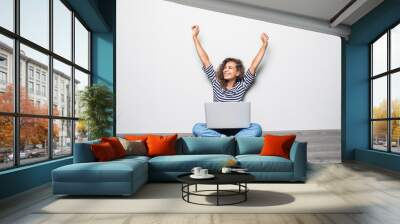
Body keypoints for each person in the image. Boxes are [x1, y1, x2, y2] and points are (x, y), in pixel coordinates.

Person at [191, 25, 269, 137]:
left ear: (237, 72)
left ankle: (231, 139)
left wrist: (264, 45)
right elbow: (205, 59)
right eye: (225, 67)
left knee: (257, 128)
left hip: (237, 129)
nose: (225, 70)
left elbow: (254, 64)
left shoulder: (242, 85)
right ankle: (225, 139)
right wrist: (195, 38)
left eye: (230, 68)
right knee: (197, 128)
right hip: (217, 129)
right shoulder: (216, 82)